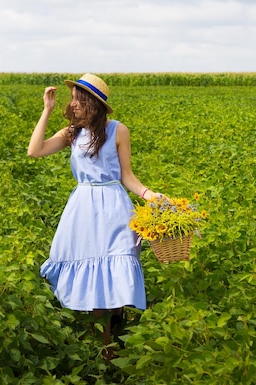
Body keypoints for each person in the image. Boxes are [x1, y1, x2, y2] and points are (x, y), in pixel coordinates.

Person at [27, 73, 161, 359]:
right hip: (83, 210)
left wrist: (152, 196)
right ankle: (97, 343)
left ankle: (111, 340)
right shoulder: (71, 133)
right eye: (72, 98)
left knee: (116, 269)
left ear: (93, 103)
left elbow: (128, 176)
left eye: (78, 99)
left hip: (114, 208)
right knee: (89, 270)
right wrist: (47, 110)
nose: (72, 104)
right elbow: (34, 151)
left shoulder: (117, 130)